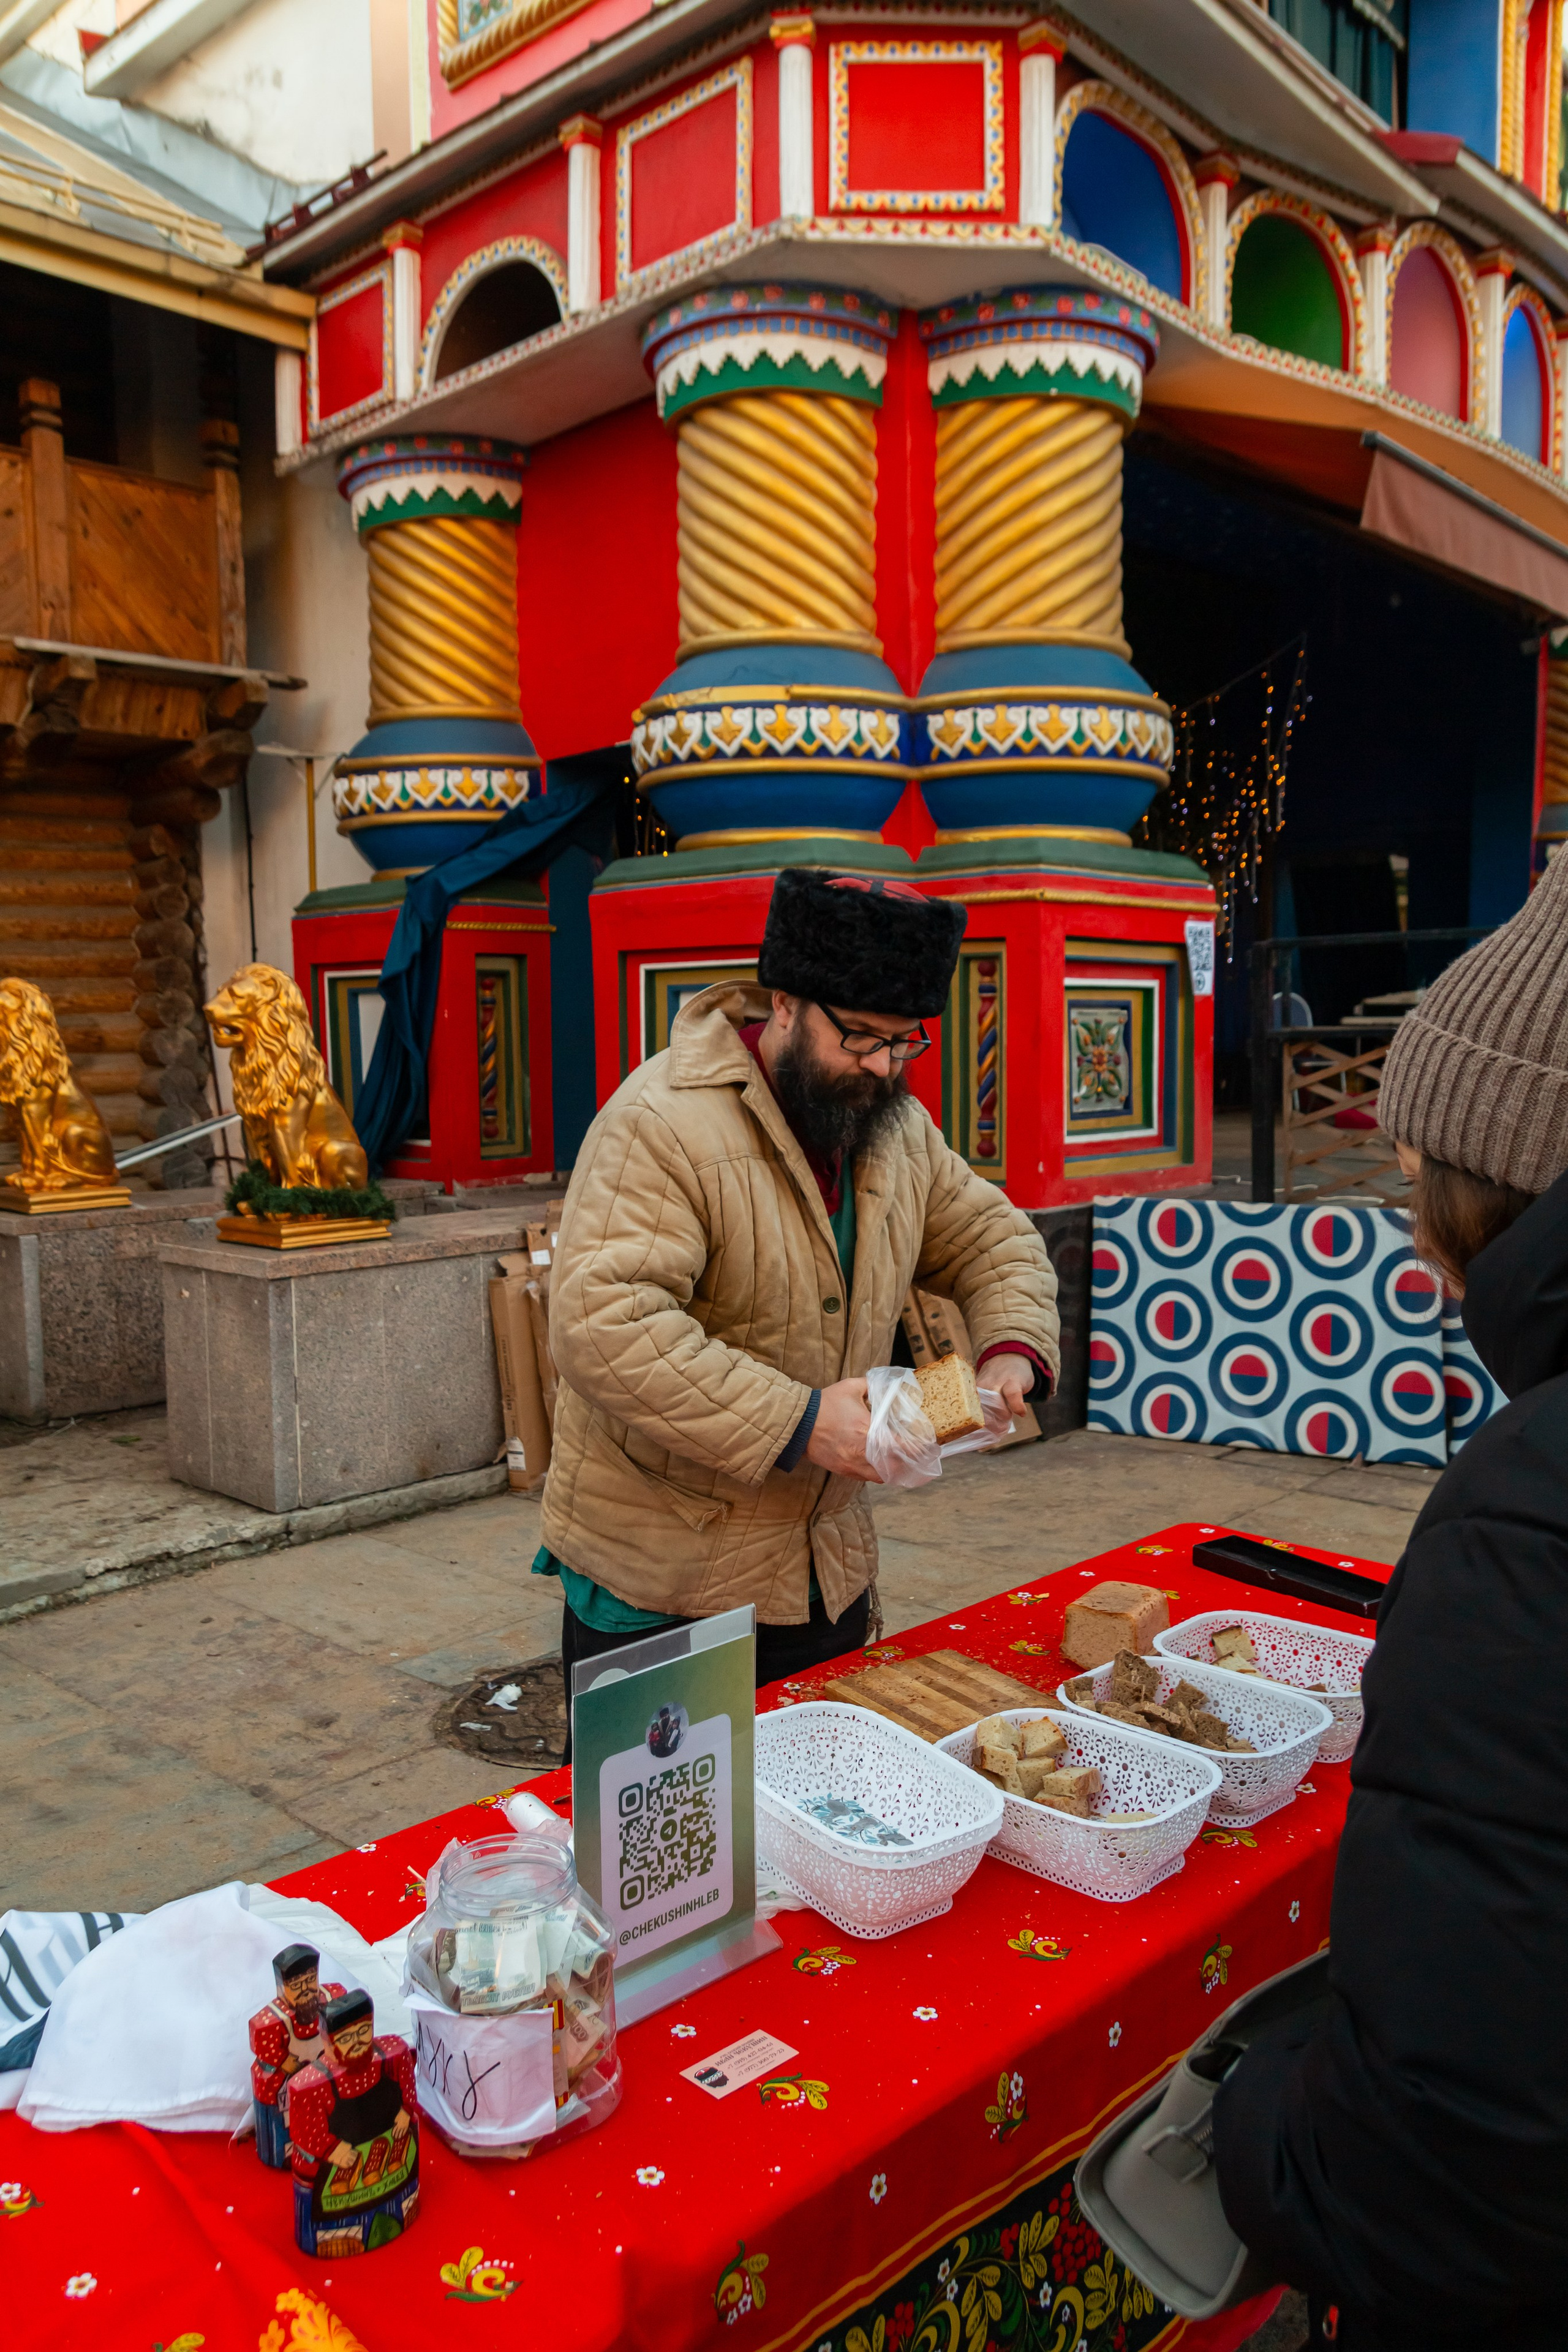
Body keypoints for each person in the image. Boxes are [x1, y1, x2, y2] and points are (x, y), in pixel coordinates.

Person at [1213, 851, 1568, 2351]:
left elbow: (1447, 2150)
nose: (1417, 1251)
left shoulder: (1522, 1519)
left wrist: (1248, 2120)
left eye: (1422, 1185)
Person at [535, 867, 1060, 1701]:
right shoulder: (660, 1121)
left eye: (905, 1040)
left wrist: (1010, 1355)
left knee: (815, 1818)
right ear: (783, 1004)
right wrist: (803, 1420)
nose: (886, 1067)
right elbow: (608, 1325)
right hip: (663, 1578)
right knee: (673, 1832)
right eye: (860, 1037)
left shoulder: (895, 1128)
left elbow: (993, 1239)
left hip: (824, 1569)